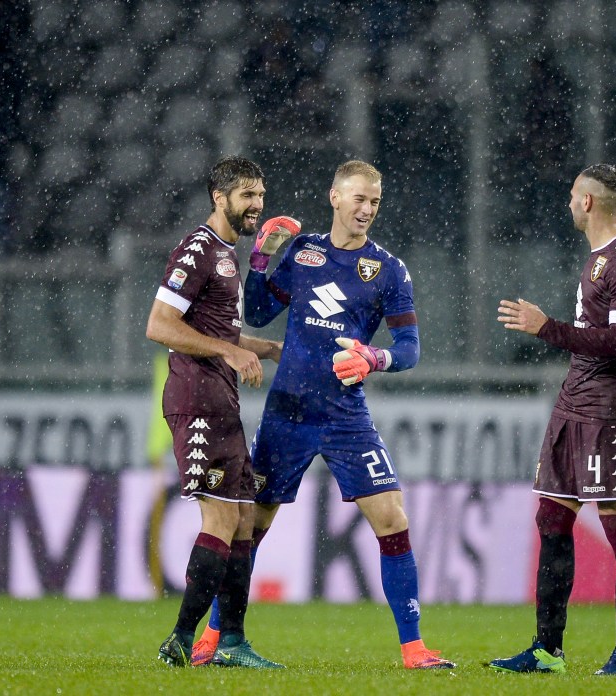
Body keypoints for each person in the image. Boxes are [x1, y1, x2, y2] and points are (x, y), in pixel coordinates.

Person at [191, 160, 456, 670]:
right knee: (250, 525)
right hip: (287, 411)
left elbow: (409, 348)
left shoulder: (388, 270)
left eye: (374, 202)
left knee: (391, 517)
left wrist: (375, 358)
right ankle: (216, 638)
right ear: (334, 197)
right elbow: (261, 313)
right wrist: (262, 262)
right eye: (358, 199)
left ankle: (414, 648)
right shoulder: (306, 251)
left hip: (344, 415)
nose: (366, 210)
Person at [489, 164, 616, 677]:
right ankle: (548, 651)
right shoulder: (603, 259)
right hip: (576, 400)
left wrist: (547, 328)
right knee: (552, 520)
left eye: (573, 195)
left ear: (588, 201)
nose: (569, 202)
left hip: (609, 409)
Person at [147, 155, 283, 668]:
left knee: (245, 518)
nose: (257, 206)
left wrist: (260, 347)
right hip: (195, 399)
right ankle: (182, 638)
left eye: (261, 196)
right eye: (247, 196)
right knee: (223, 515)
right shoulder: (198, 248)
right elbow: (160, 324)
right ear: (219, 198)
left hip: (221, 397)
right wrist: (229, 351)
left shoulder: (226, 252)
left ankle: (232, 643)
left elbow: (217, 330)